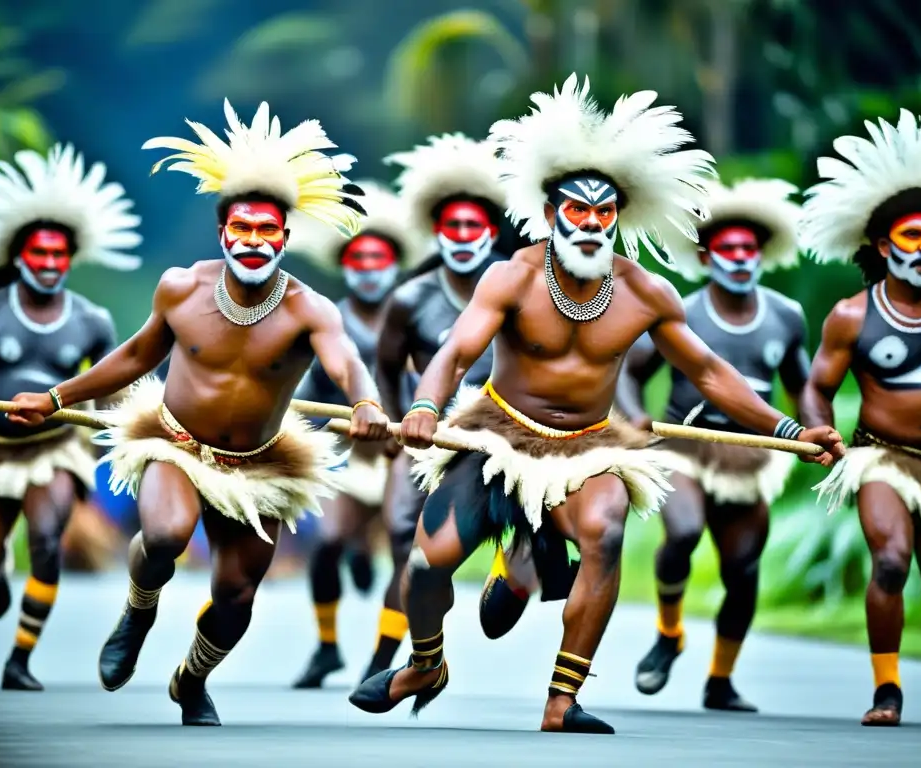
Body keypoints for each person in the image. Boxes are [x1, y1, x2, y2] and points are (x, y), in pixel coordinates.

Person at [348, 74, 844, 734]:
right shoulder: (513, 276)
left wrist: (791, 426)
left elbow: (710, 370)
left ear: (618, 217)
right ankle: (427, 662)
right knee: (425, 564)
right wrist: (426, 407)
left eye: (602, 212)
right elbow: (458, 351)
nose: (589, 223)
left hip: (589, 446)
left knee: (606, 529)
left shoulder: (645, 291)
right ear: (552, 215)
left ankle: (563, 699)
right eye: (575, 212)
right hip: (497, 436)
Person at [7, 99, 391, 726]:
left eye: (268, 231)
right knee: (163, 535)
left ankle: (192, 679)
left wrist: (367, 403)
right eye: (242, 228)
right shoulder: (181, 287)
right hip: (174, 443)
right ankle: (139, 607)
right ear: (222, 232)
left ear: (286, 239)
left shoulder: (309, 308)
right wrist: (54, 398)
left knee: (236, 594)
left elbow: (345, 361)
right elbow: (134, 355)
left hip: (261, 462)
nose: (254, 241)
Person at [0, 143, 142, 690]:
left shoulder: (92, 321)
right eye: (39, 254)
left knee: (47, 537)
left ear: (70, 259)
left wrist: (139, 422)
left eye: (59, 255)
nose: (50, 264)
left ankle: (20, 658)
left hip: (56, 446)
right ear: (19, 256)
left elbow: (115, 382)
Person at [618, 178, 808, 711]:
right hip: (685, 445)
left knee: (743, 570)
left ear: (762, 255)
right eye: (729, 248)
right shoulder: (682, 313)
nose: (742, 258)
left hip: (752, 457)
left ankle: (720, 680)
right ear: (706, 256)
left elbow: (805, 388)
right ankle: (669, 633)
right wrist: (635, 417)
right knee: (681, 532)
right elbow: (628, 375)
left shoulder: (787, 316)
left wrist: (812, 429)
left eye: (750, 248)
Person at [798, 109, 921, 727]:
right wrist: (817, 428)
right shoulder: (850, 316)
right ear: (883, 247)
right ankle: (887, 690)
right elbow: (817, 387)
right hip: (880, 457)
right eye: (912, 238)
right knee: (890, 559)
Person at [359, 133, 510, 684]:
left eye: (475, 227)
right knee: (403, 532)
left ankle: (509, 569)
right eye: (454, 227)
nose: (464, 237)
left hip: (506, 436)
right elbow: (386, 364)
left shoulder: (519, 285)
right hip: (427, 433)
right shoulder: (411, 298)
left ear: (491, 232)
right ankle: (392, 648)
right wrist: (399, 424)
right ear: (437, 233)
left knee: (535, 520)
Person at [289, 181, 422, 688]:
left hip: (409, 452)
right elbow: (309, 390)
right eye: (358, 259)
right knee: (325, 543)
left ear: (395, 262)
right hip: (350, 453)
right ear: (345, 265)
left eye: (378, 258)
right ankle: (326, 647)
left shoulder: (414, 310)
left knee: (403, 544)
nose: (368, 268)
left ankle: (380, 657)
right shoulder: (328, 317)